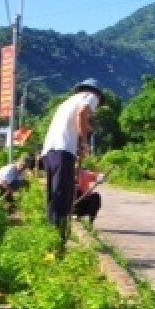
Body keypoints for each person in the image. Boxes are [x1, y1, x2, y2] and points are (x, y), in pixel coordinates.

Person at [41, 78, 103, 242]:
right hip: (63, 151)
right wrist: (84, 143)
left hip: (49, 151)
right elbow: (82, 113)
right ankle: (59, 240)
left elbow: (78, 121)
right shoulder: (90, 96)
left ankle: (50, 235)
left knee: (53, 195)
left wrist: (82, 138)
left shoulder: (65, 103)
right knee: (63, 196)